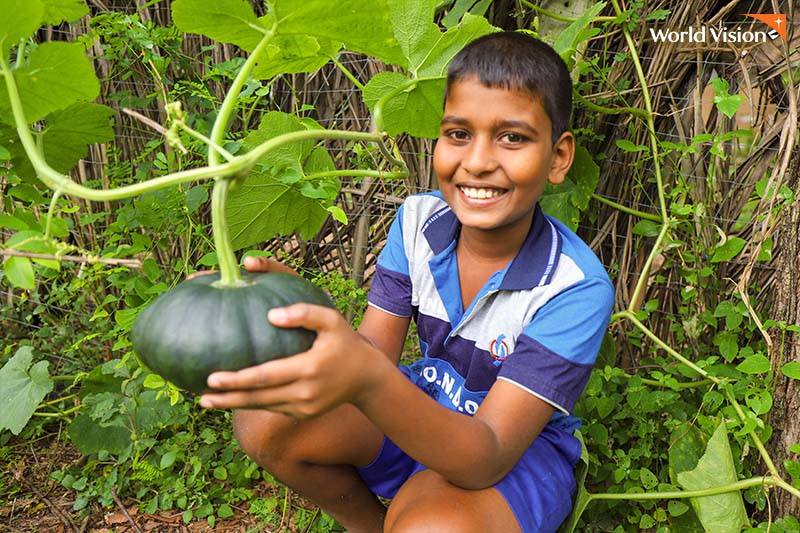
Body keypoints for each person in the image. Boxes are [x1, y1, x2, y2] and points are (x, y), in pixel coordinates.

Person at [199, 31, 615, 533]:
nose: (478, 160)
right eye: (458, 133)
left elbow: (486, 455)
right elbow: (373, 356)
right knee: (265, 422)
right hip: (416, 405)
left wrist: (368, 376)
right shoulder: (417, 222)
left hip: (512, 457)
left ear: (558, 157)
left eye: (513, 137)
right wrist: (314, 317)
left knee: (430, 526)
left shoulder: (574, 286)